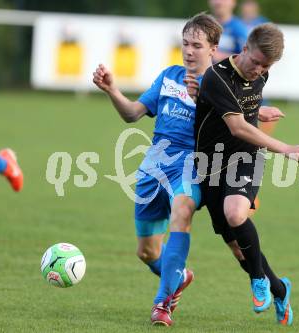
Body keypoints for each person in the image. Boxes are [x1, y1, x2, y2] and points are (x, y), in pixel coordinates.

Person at [93, 13, 223, 326]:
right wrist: (112, 90)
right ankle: (177, 277)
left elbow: (235, 125)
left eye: (197, 45)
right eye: (185, 44)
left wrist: (205, 98)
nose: (189, 51)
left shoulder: (220, 86)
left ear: (213, 49)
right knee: (147, 252)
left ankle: (162, 303)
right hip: (153, 168)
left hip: (191, 166)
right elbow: (132, 114)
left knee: (182, 210)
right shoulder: (169, 76)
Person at [193, 23, 299, 325]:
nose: (258, 70)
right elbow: (236, 123)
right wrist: (284, 147)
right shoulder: (216, 77)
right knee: (236, 246)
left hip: (246, 156)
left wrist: (259, 111)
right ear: (244, 49)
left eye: (266, 66)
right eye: (255, 61)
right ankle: (279, 288)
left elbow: (243, 114)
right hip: (210, 165)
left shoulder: (261, 74)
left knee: (235, 214)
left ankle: (258, 280)